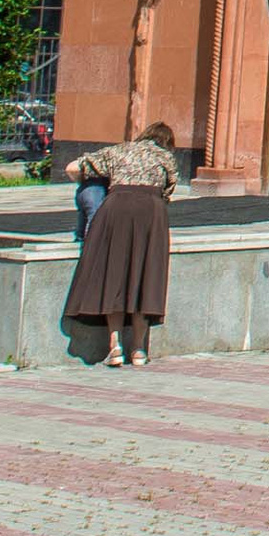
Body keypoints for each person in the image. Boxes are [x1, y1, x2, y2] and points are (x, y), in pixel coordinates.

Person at [65, 124, 180, 369]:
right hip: (152, 213)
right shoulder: (166, 157)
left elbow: (72, 168)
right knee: (144, 279)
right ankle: (138, 350)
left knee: (113, 277)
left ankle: (115, 347)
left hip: (116, 209)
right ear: (167, 142)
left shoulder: (119, 151)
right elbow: (168, 192)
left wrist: (95, 184)